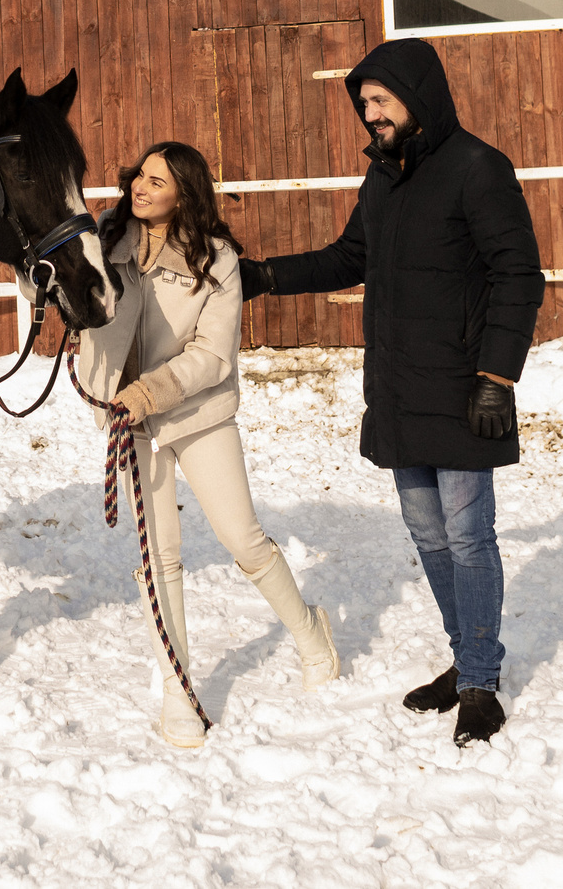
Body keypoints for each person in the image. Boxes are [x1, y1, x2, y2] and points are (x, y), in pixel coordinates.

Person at [238, 39, 544, 747]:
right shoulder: (383, 178)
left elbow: (518, 274)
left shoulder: (478, 168)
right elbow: (351, 256)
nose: (370, 113)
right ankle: (465, 658)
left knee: (468, 537)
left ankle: (480, 683)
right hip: (400, 388)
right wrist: (267, 276)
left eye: (380, 100)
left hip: (465, 387)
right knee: (429, 535)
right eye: (364, 103)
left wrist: (498, 377)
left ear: (417, 95)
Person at [75, 140, 340, 748]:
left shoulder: (216, 259)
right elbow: (58, 288)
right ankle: (178, 692)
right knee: (159, 557)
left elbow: (213, 354)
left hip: (197, 413)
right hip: (128, 421)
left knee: (243, 539)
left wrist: (151, 390)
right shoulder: (104, 239)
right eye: (140, 175)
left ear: (184, 195)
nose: (141, 187)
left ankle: (310, 633)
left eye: (158, 181)